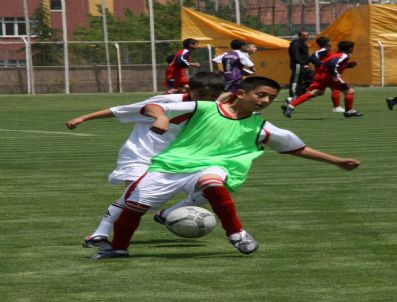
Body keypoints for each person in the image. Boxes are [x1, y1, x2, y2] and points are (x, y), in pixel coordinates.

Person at [91, 76, 360, 259]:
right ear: (241, 94)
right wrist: (161, 118)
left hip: (213, 167)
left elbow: (296, 148)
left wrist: (337, 161)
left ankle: (237, 234)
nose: (265, 101)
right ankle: (118, 248)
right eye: (261, 95)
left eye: (270, 98)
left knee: (212, 182)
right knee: (134, 207)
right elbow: (153, 106)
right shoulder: (205, 108)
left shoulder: (261, 127)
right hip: (170, 165)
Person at [65, 72, 225, 248]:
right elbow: (122, 110)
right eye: (201, 95)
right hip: (140, 156)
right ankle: (98, 235)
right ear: (189, 89)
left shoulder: (214, 109)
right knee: (133, 197)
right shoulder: (169, 102)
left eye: (213, 96)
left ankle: (167, 214)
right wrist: (83, 118)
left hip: (175, 161)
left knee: (212, 188)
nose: (207, 100)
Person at [282, 41, 364, 118]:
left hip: (321, 76)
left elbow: (333, 65)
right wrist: (334, 75)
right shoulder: (344, 55)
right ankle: (349, 111)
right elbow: (332, 64)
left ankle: (290, 106)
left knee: (315, 92)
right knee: (349, 91)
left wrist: (348, 65)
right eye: (352, 47)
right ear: (350, 48)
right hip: (329, 77)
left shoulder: (337, 54)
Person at [308, 37, 343, 113]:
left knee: (320, 92)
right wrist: (321, 64)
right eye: (330, 41)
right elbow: (311, 57)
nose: (331, 42)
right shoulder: (324, 50)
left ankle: (297, 99)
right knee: (335, 88)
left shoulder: (327, 51)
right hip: (325, 74)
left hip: (325, 73)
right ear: (326, 43)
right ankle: (337, 107)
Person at [288, 31, 314, 101]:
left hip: (304, 65)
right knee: (296, 81)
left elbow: (305, 56)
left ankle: (300, 93)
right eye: (304, 35)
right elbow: (295, 55)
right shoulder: (295, 44)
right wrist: (303, 64)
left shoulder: (304, 44)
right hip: (298, 65)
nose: (306, 37)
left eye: (307, 35)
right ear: (299, 36)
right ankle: (293, 96)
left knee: (311, 76)